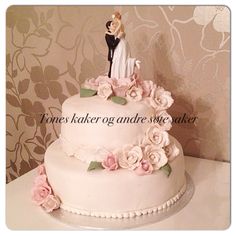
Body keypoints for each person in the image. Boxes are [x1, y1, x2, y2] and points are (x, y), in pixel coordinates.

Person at [105, 12, 141, 79]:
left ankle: (120, 75)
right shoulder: (118, 26)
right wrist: (110, 33)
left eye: (114, 19)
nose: (114, 23)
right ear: (109, 27)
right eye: (112, 24)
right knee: (120, 59)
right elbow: (112, 43)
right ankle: (133, 63)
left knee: (121, 59)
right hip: (122, 44)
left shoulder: (119, 24)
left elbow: (115, 33)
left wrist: (110, 33)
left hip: (121, 45)